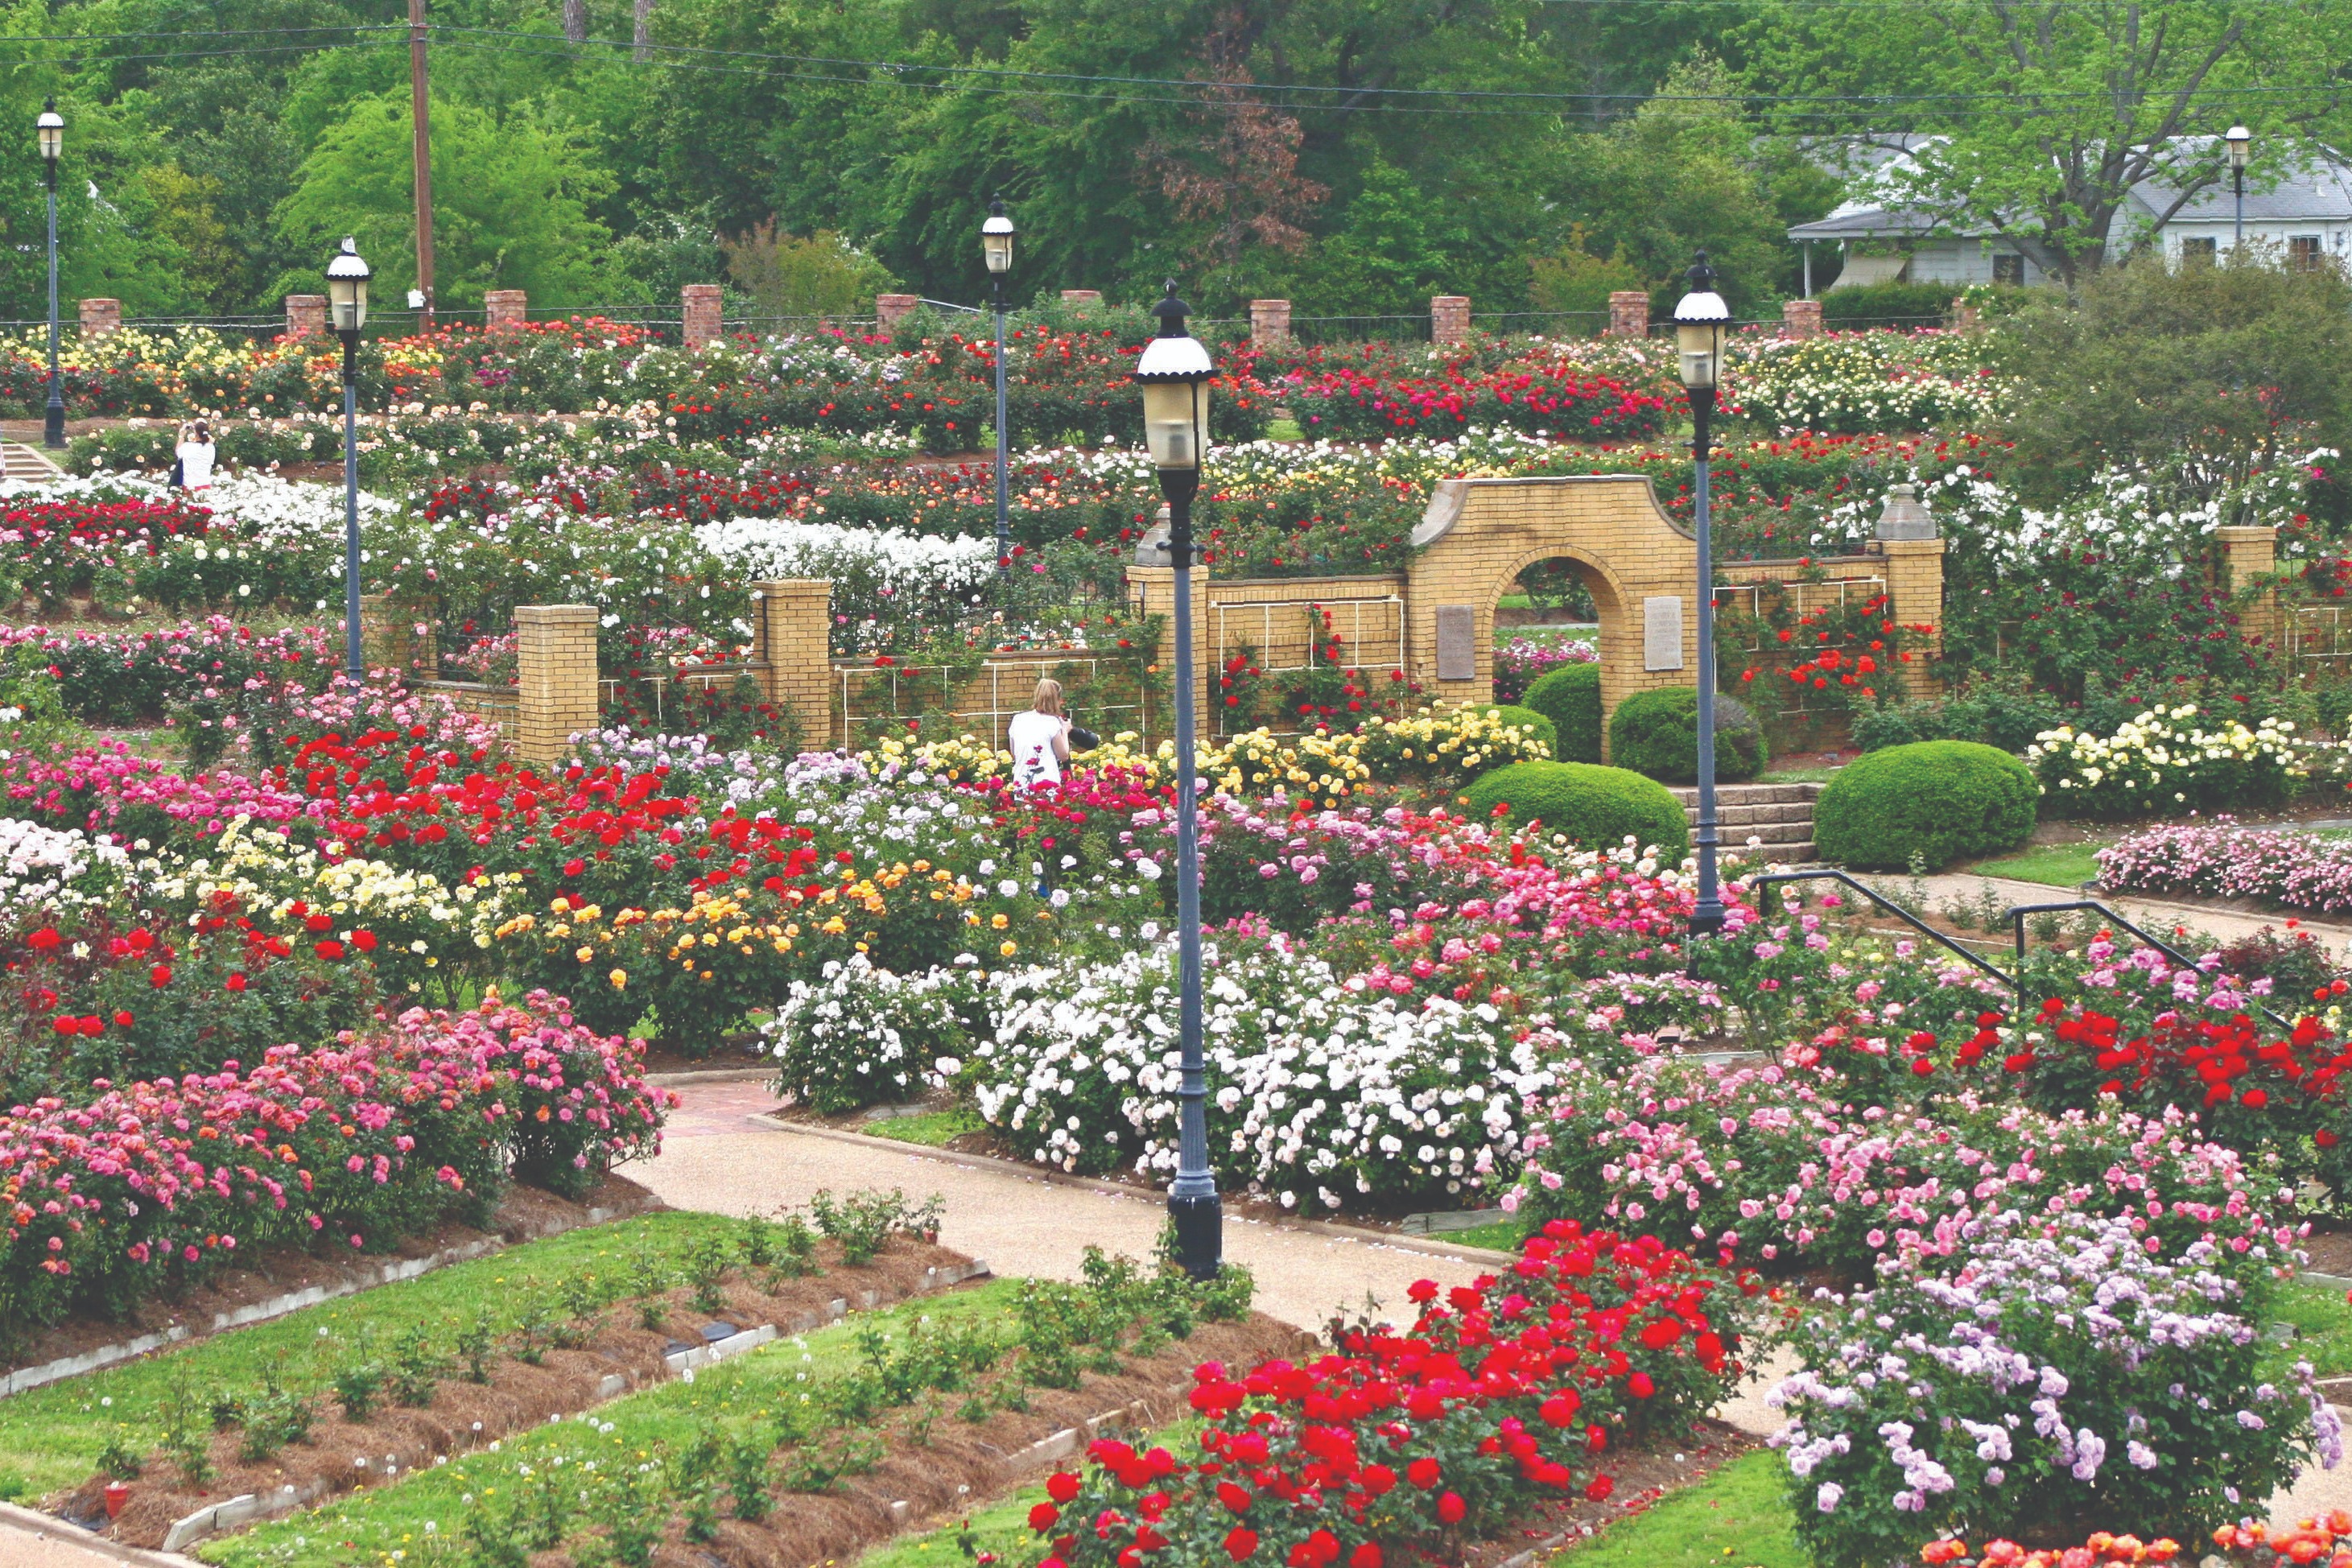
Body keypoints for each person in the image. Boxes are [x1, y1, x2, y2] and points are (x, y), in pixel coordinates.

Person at [1005, 678, 1071, 788]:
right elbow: (1063, 755)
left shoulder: (1017, 719)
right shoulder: (1052, 722)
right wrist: (1065, 730)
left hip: (1022, 783)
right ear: (1057, 699)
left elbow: (1014, 753)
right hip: (1047, 786)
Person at [173, 420, 216, 497]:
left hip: (190, 486)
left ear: (195, 433)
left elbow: (178, 453)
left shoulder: (187, 447)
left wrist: (181, 436)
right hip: (205, 485)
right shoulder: (211, 447)